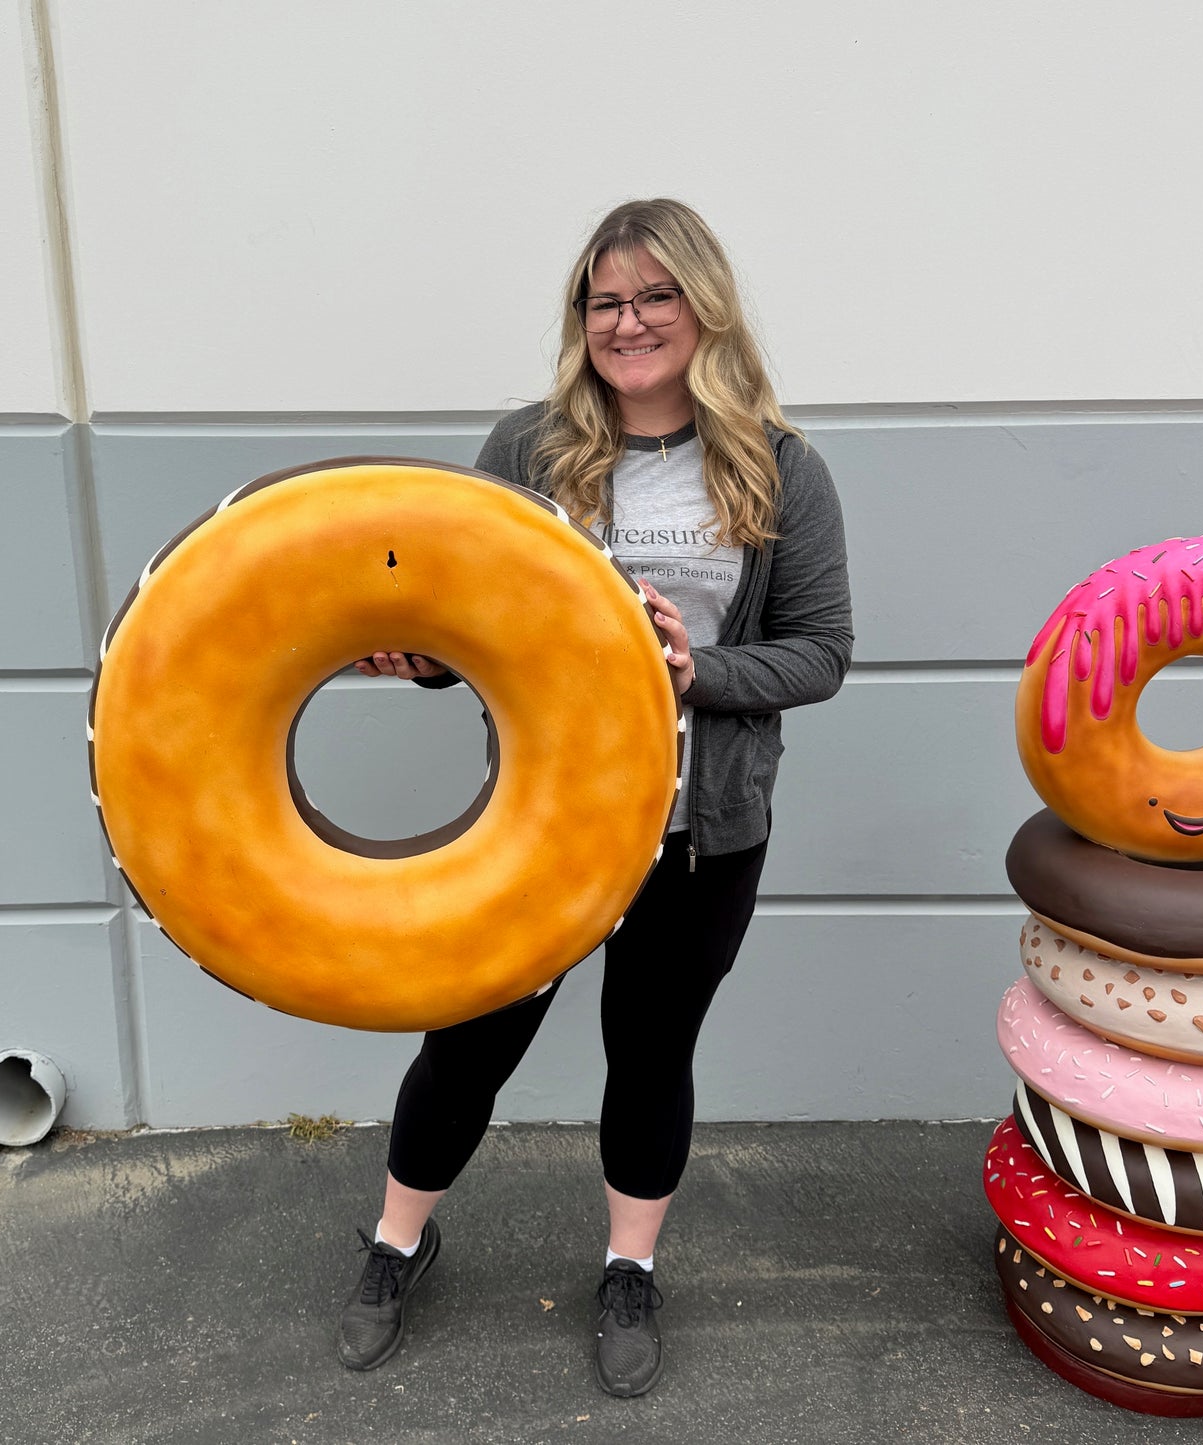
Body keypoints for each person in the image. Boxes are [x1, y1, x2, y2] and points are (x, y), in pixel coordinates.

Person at [343, 198, 853, 1397]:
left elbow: (821, 650)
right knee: (469, 1037)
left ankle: (629, 1266)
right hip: (538, 823)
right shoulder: (526, 450)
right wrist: (419, 658)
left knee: (650, 1048)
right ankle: (393, 1239)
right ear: (582, 320)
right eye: (604, 300)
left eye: (652, 296)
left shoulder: (778, 464)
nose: (626, 321)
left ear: (701, 307)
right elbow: (468, 622)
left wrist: (698, 667)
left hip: (700, 831)